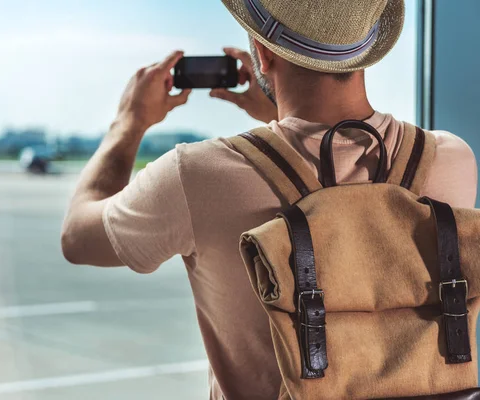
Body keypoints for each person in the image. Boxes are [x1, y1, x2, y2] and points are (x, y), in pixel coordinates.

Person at [61, 0, 478, 398]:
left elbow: (77, 237)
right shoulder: (450, 161)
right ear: (365, 47)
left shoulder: (197, 175)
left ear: (261, 53)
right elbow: (340, 180)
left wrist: (128, 123)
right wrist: (277, 118)